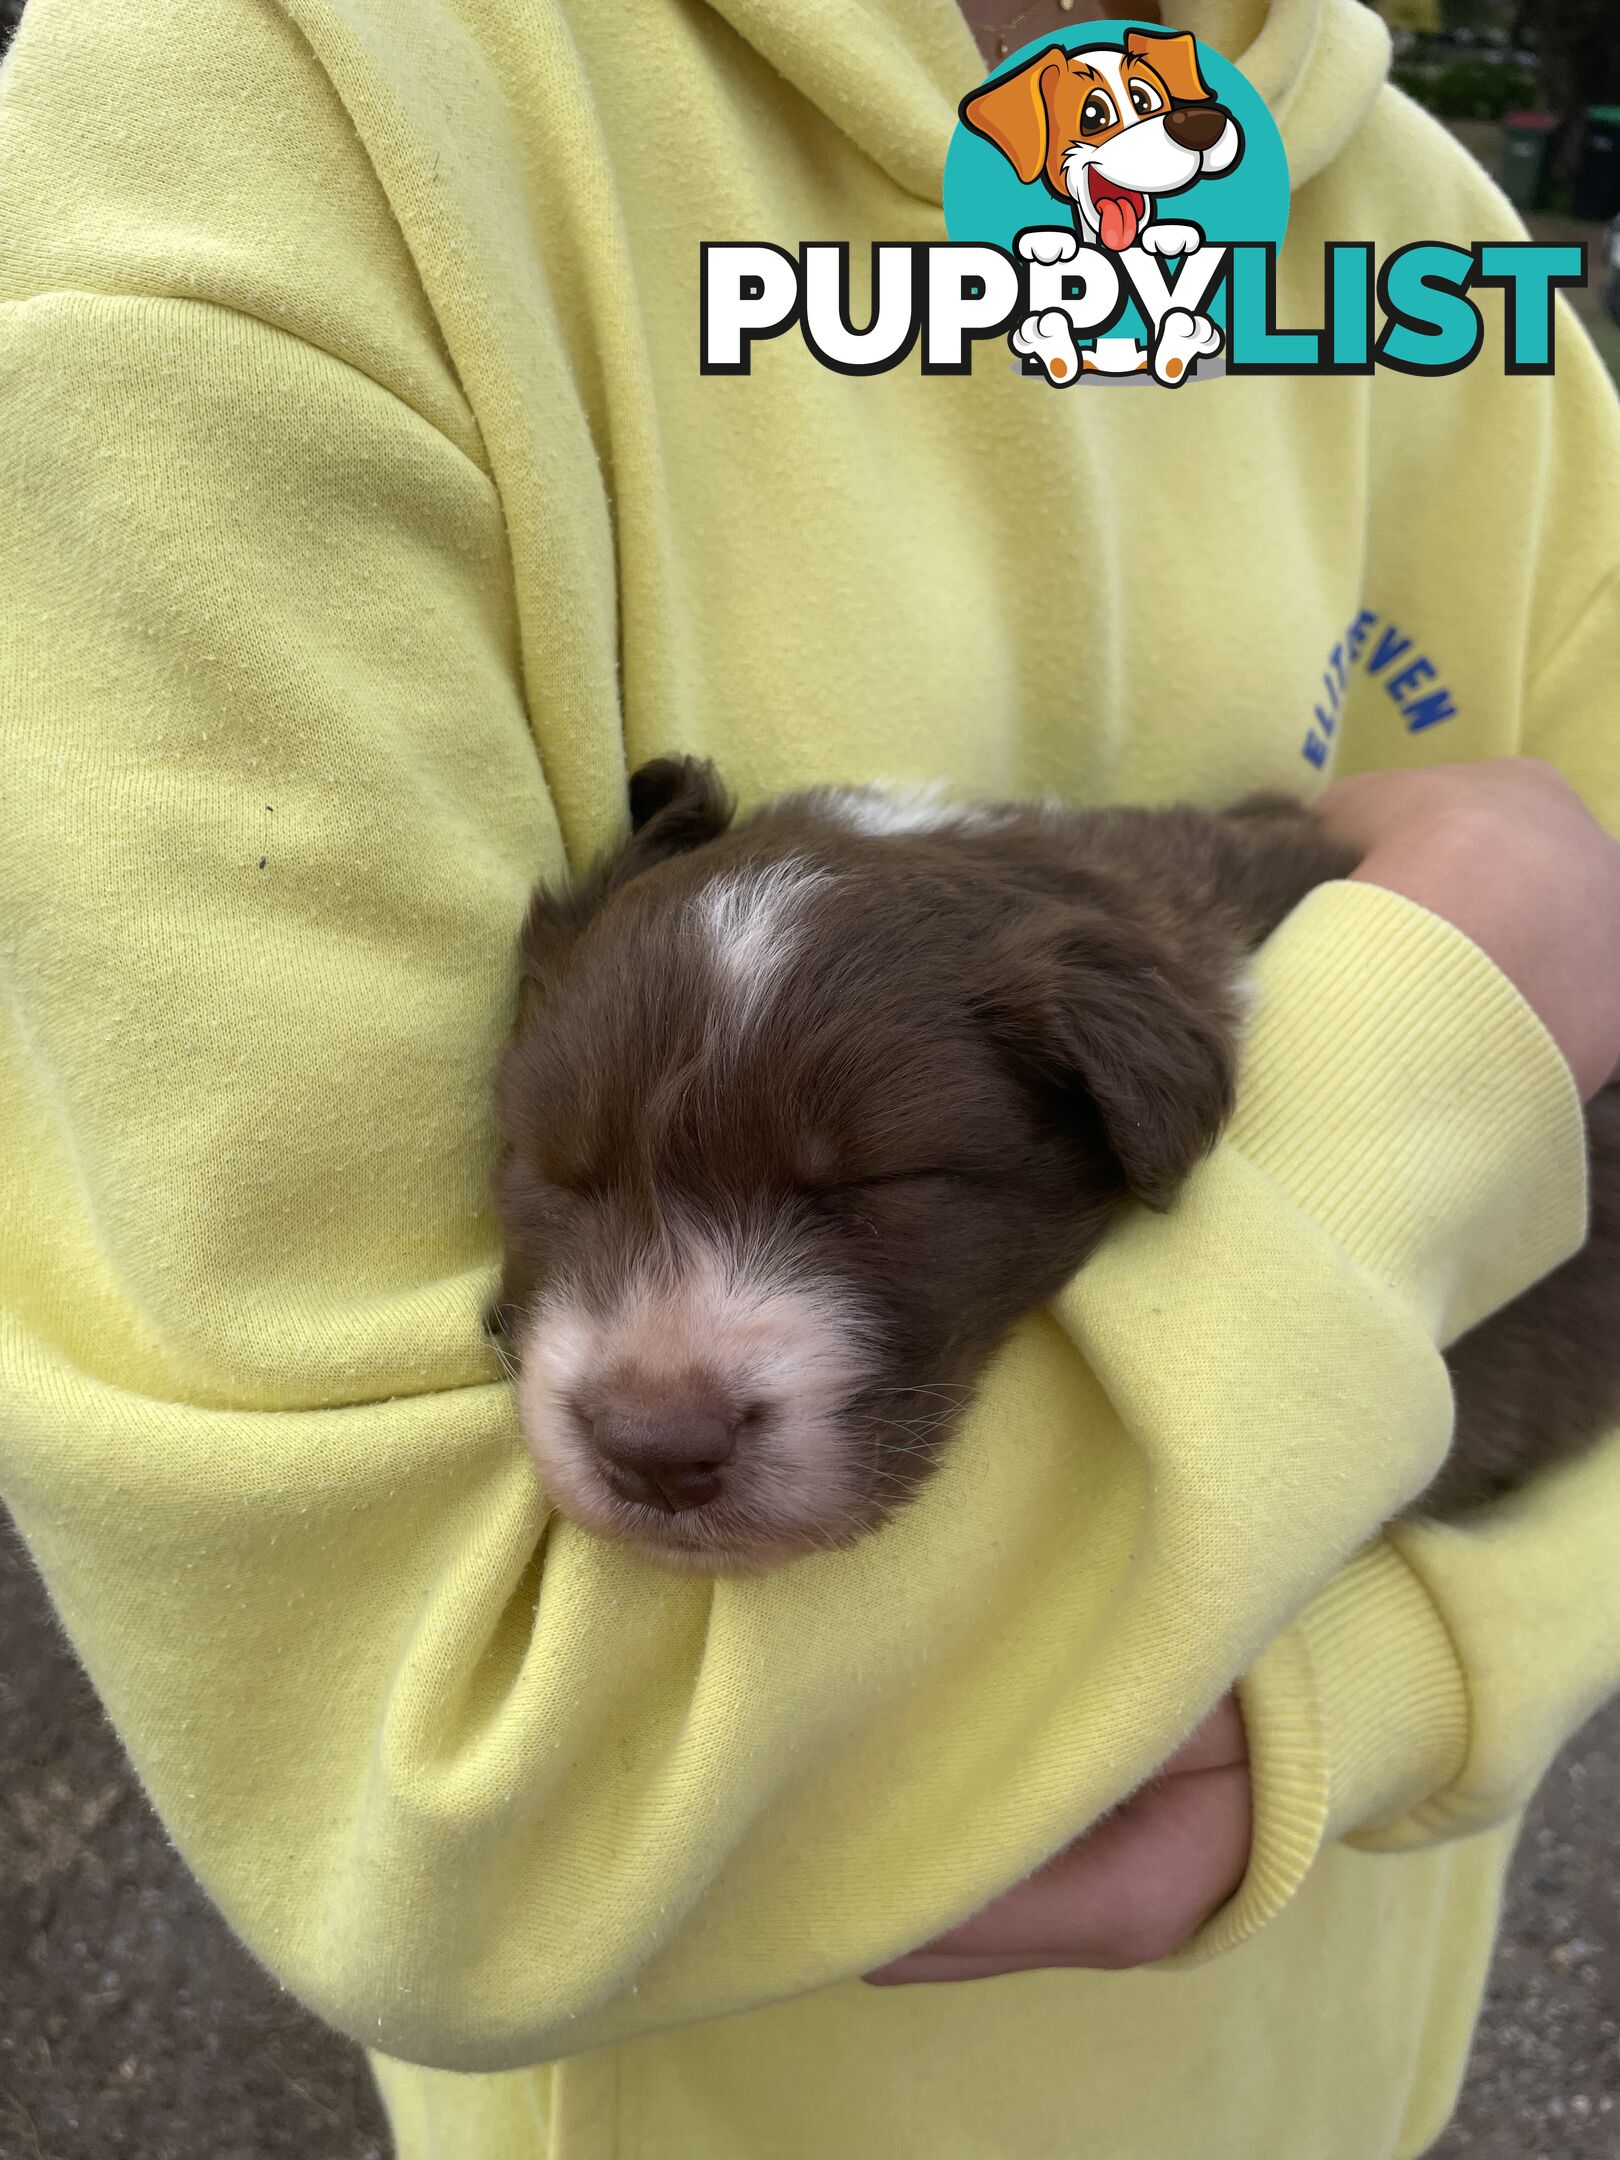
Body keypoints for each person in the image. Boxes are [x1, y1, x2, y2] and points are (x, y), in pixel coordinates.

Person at [1, 0, 1617, 2153]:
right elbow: (451, 1818)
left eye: (852, 1202)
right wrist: (1451, 1023)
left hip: (1334, 2062)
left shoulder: (1440, 256)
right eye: (569, 1185)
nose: (650, 1380)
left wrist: (1406, 1677)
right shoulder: (286, 103)